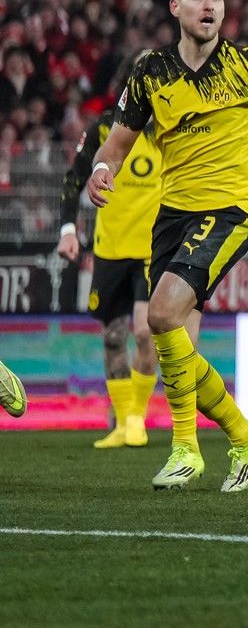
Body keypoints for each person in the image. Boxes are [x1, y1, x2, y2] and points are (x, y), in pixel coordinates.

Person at [86, 0, 248, 493]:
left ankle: (187, 450)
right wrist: (102, 169)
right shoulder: (151, 72)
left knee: (159, 315)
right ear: (175, 7)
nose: (210, 5)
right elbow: (117, 143)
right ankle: (239, 436)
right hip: (171, 217)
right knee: (179, 349)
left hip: (230, 212)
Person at [56, 64, 168, 448]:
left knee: (145, 332)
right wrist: (68, 230)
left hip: (153, 251)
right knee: (113, 337)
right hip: (110, 250)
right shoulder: (106, 128)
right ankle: (121, 423)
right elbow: (74, 177)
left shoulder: (169, 129)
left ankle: (136, 416)